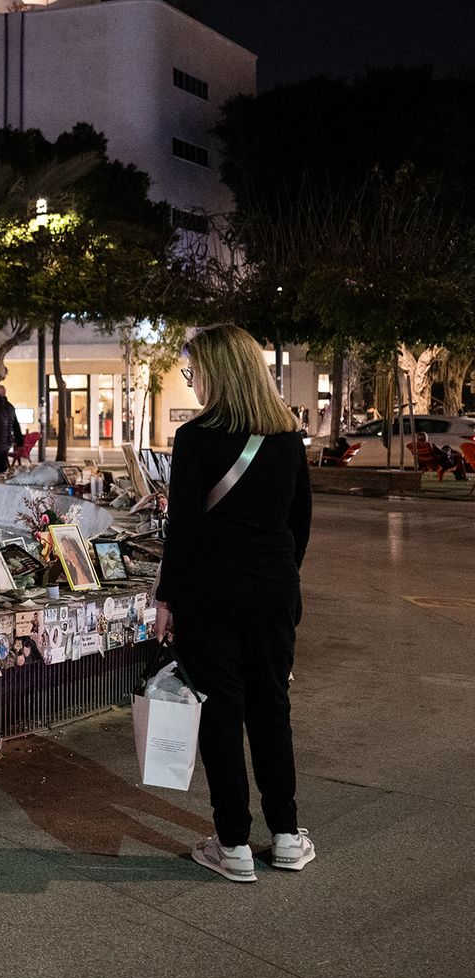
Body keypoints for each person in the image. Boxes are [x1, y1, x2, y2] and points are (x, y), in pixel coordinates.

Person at [153, 324, 314, 884]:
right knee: (271, 707)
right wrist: (279, 581)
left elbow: (184, 532)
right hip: (272, 590)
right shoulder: (288, 437)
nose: (191, 383)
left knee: (221, 715)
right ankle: (288, 836)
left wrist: (166, 599)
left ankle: (234, 845)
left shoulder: (196, 438)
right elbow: (300, 525)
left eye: (192, 372)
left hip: (210, 594)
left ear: (218, 372)